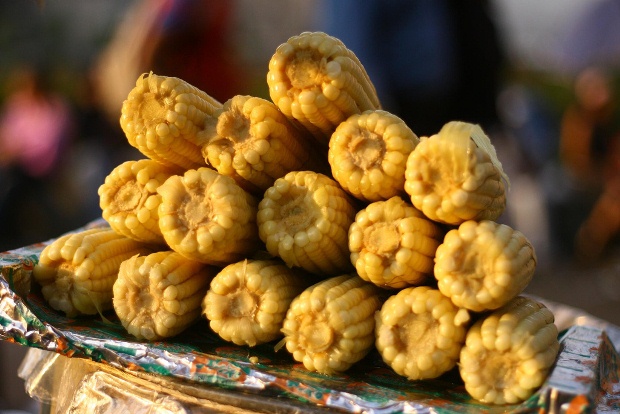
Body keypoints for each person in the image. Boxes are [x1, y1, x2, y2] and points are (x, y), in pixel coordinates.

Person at [0, 66, 74, 250]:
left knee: (12, 182)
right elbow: (6, 137)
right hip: (15, 165)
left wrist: (21, 153)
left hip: (41, 169)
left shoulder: (55, 109)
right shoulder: (17, 106)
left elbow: (52, 147)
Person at [559, 67, 620, 261]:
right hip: (587, 177)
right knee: (613, 200)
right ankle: (592, 240)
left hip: (608, 177)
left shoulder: (607, 118)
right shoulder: (577, 121)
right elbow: (577, 161)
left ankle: (592, 238)